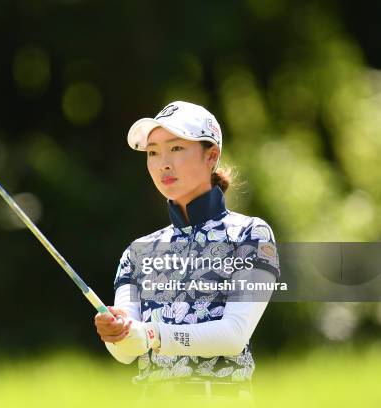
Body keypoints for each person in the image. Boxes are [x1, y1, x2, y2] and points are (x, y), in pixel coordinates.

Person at [94, 101, 280, 401]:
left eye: (176, 148)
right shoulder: (137, 252)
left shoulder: (251, 234)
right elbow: (127, 352)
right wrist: (116, 333)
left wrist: (153, 335)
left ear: (212, 156)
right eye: (153, 152)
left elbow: (234, 335)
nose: (162, 163)